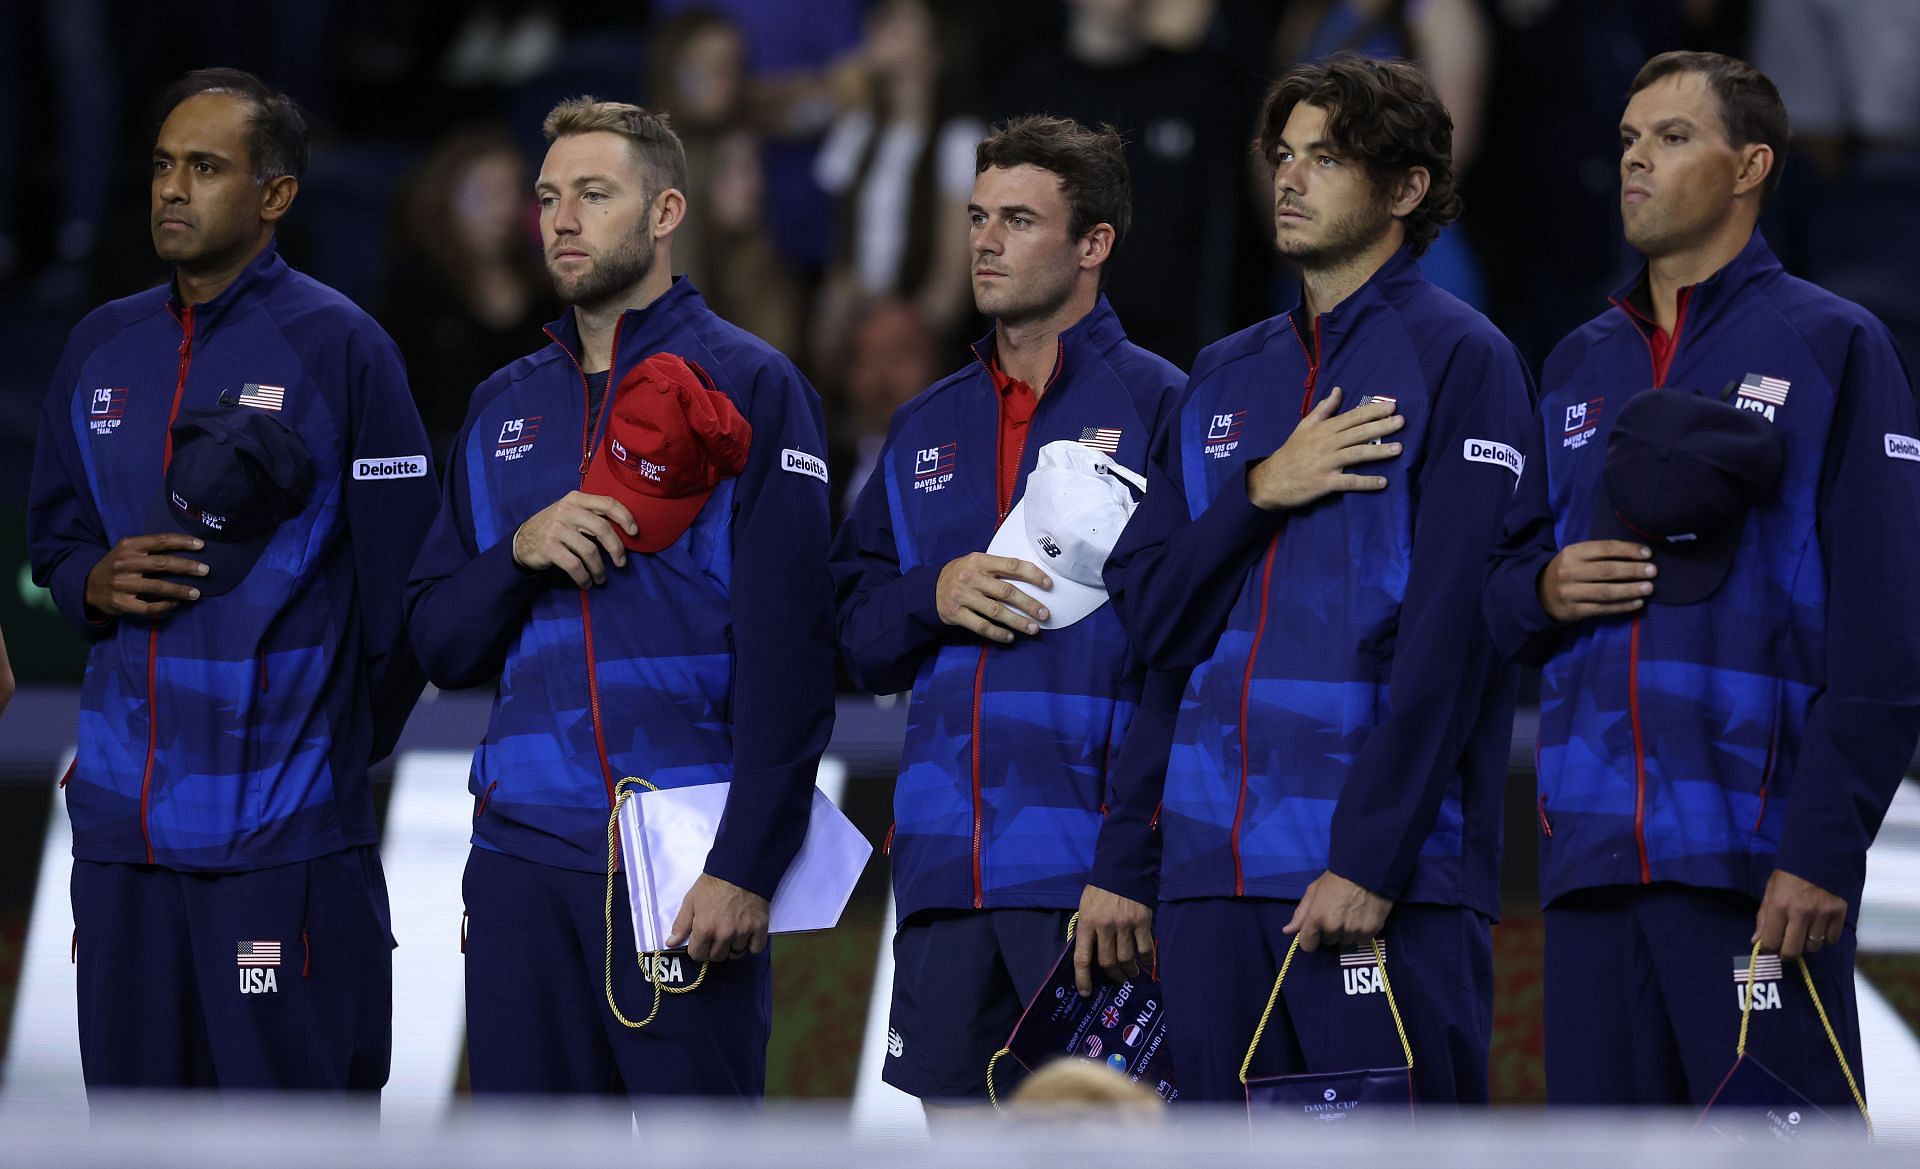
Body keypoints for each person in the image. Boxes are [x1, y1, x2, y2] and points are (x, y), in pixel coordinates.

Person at [1483, 51, 1920, 1114]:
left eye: (1672, 139)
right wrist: (1543, 589)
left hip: (1757, 867)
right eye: (1629, 141)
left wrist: (1821, 849)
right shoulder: (1581, 360)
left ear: (1750, 166)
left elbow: (1888, 628)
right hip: (1586, 870)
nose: (1636, 162)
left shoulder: (1835, 345)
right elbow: (1495, 595)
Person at [1100, 53, 1532, 1105]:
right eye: (1284, 156)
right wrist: (1262, 487)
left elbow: (1455, 637)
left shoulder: (1462, 358)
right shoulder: (1221, 374)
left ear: (1406, 188)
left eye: (1327, 159)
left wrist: (1373, 857)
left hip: (1384, 880)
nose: (1289, 180)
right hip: (1208, 877)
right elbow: (1154, 615)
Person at [404, 97, 835, 1100]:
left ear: (665, 211)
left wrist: (746, 865)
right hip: (518, 857)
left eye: (593, 195)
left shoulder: (753, 384)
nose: (561, 219)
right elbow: (439, 639)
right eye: (549, 198)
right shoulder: (500, 404)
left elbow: (794, 655)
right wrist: (519, 548)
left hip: (683, 857)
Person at [25, 68, 436, 1092]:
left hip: (284, 841)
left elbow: (405, 602)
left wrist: (323, 755)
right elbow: (54, 541)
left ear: (276, 195)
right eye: (165, 165)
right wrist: (91, 580)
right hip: (122, 841)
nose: (174, 188)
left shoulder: (343, 348)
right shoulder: (98, 346)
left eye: (205, 168)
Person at [830, 114, 1183, 1113]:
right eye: (978, 216)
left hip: (1087, 880)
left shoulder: (1167, 406)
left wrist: (1130, 860)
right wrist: (930, 592)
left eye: (1018, 220)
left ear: (1093, 244)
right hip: (943, 868)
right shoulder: (926, 421)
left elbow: (1187, 659)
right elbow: (853, 627)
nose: (983, 240)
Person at [382, 128, 555, 466]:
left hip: (533, 463)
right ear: (447, 200)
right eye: (483, 194)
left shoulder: (544, 291)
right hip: (441, 470)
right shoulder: (413, 292)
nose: (501, 208)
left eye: (510, 192)